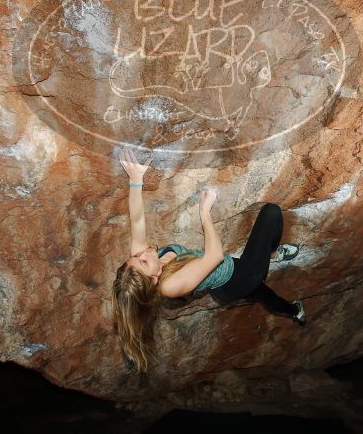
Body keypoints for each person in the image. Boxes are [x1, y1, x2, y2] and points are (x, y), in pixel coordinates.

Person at [111, 146, 307, 374]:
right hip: (241, 276)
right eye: (143, 261)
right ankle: (275, 259)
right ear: (154, 280)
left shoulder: (144, 261)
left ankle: (294, 310)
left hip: (222, 289)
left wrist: (136, 179)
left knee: (265, 296)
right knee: (271, 213)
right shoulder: (169, 285)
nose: (143, 253)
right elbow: (214, 256)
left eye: (136, 257)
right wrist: (205, 213)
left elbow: (136, 220)